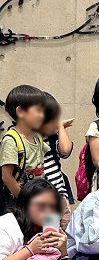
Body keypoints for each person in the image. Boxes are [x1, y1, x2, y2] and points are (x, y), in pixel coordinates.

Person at [0, 85, 48, 213]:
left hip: (40, 197)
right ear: (20, 112)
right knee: (23, 232)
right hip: (19, 204)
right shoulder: (11, 140)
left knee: (50, 227)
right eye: (38, 110)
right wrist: (26, 202)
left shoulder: (37, 136)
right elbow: (7, 177)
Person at [39, 92, 75, 220]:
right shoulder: (29, 137)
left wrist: (60, 127)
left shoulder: (52, 135)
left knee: (66, 236)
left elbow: (65, 150)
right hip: (44, 197)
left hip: (60, 194)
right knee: (52, 235)